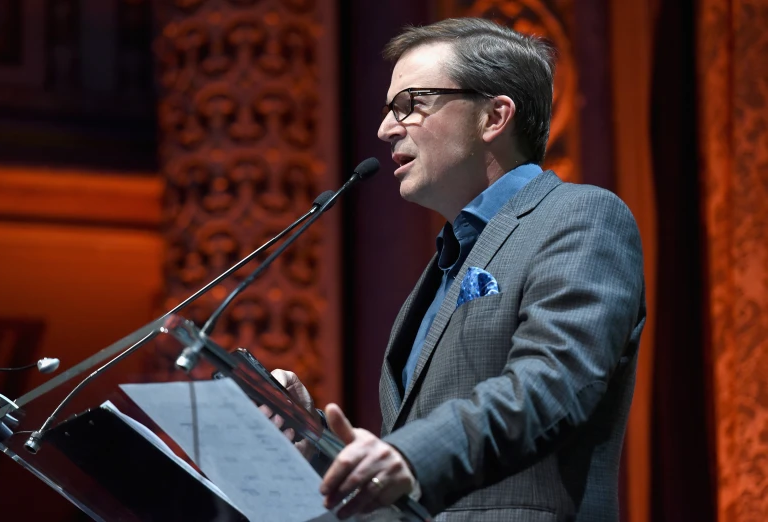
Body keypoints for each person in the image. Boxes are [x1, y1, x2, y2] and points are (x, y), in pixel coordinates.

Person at [272, 17, 646, 521]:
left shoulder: (579, 217)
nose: (385, 129)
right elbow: (410, 479)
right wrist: (314, 440)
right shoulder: (445, 265)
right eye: (387, 109)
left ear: (494, 117)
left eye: (410, 105)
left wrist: (408, 456)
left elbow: (553, 383)